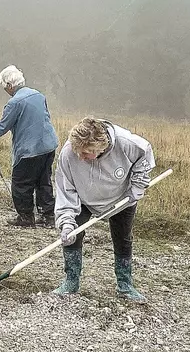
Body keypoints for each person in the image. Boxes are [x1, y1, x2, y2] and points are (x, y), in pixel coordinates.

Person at [53, 117, 155, 302]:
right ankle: (71, 281)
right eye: (78, 152)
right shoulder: (69, 153)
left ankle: (125, 284)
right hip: (83, 199)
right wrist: (66, 223)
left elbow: (144, 156)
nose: (80, 157)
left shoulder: (126, 143)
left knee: (123, 238)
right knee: (72, 236)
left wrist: (137, 188)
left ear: (101, 146)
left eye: (85, 153)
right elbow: (65, 192)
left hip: (122, 198)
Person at [0, 65, 58, 227]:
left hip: (29, 150)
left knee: (20, 183)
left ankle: (26, 217)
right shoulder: (38, 95)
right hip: (49, 146)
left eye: (4, 87)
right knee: (43, 181)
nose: (5, 90)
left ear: (9, 85)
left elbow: (0, 130)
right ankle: (48, 216)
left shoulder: (14, 103)